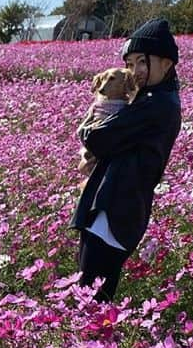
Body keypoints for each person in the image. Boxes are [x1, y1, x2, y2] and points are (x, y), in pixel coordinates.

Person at [70, 19, 182, 302]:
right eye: (130, 63)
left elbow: (97, 138)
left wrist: (87, 133)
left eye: (142, 61)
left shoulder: (157, 105)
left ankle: (88, 342)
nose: (135, 71)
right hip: (112, 207)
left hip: (118, 209)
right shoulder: (149, 99)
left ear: (166, 64)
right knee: (92, 290)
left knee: (93, 294)